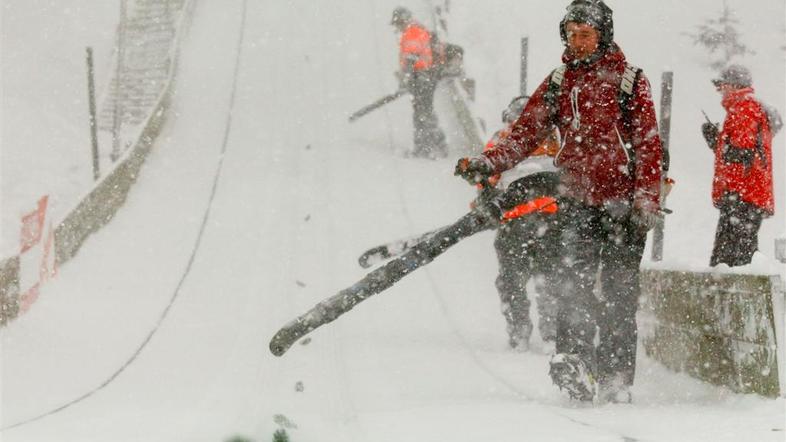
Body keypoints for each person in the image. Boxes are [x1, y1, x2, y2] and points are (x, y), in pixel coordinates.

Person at [455, 0, 663, 404]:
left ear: (604, 35)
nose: (578, 41)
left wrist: (646, 201)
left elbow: (648, 144)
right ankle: (575, 363)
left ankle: (617, 379)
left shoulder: (630, 80)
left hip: (624, 207)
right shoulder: (559, 80)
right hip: (577, 203)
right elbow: (524, 133)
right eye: (571, 34)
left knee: (619, 296)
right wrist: (488, 163)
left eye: (586, 34)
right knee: (572, 287)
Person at [482, 96, 561, 352]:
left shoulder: (502, 141)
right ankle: (551, 332)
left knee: (511, 279)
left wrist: (486, 200)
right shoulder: (557, 142)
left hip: (513, 223)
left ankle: (519, 332)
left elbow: (486, 178)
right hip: (551, 219)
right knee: (548, 277)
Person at [701, 65, 777, 267]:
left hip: (742, 195)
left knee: (728, 262)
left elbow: (742, 152)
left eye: (722, 86)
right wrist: (717, 142)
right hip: (746, 195)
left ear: (734, 85)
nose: (720, 91)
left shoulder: (745, 108)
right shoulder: (745, 108)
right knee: (739, 257)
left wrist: (716, 141)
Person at [390, 6, 448, 159]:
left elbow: (411, 57)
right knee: (425, 111)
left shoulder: (412, 32)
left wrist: (405, 79)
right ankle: (437, 145)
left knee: (421, 113)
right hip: (425, 76)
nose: (396, 27)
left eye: (397, 23)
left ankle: (425, 148)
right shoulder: (418, 30)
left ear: (402, 21)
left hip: (421, 77)